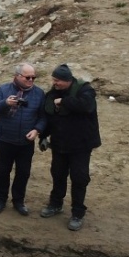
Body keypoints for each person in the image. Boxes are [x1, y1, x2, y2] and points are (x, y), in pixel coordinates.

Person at [38, 64, 101, 231]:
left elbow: (87, 106)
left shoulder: (85, 90)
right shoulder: (52, 94)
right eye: (53, 79)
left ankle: (77, 213)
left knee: (79, 178)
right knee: (58, 175)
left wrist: (63, 101)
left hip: (81, 146)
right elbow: (49, 116)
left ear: (67, 81)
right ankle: (55, 204)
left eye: (57, 80)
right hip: (59, 144)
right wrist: (43, 136)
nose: (54, 83)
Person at [0, 63, 46, 215]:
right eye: (28, 77)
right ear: (17, 76)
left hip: (26, 142)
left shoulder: (39, 93)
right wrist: (5, 103)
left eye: (33, 77)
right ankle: (0, 199)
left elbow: (43, 117)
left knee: (23, 172)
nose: (31, 80)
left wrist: (36, 130)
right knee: (3, 171)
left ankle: (19, 201)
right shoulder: (3, 89)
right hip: (5, 139)